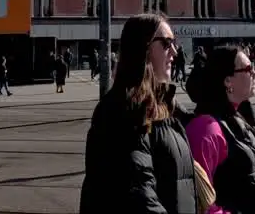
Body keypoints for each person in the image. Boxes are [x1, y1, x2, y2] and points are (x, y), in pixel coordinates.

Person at [80, 12, 196, 214]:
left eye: (174, 43)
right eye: (167, 43)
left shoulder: (169, 108)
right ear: (143, 48)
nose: (175, 52)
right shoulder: (122, 111)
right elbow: (137, 194)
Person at [185, 45, 255, 214]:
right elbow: (200, 201)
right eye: (248, 69)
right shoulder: (206, 129)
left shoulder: (239, 116)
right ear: (228, 80)